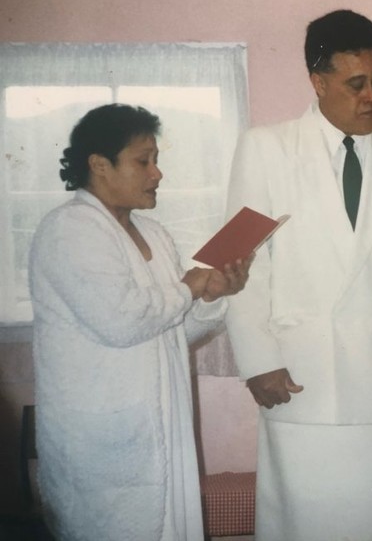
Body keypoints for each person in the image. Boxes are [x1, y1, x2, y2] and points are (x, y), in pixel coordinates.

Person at [224, 9, 372, 541]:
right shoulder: (267, 148)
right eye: (356, 83)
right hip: (300, 374)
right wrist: (257, 361)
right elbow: (242, 264)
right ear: (318, 81)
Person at [29, 104, 250, 541]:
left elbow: (172, 333)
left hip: (163, 433)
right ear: (99, 165)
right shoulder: (68, 230)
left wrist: (211, 296)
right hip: (103, 444)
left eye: (156, 160)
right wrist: (188, 287)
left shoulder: (154, 235)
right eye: (143, 161)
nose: (157, 174)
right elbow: (121, 321)